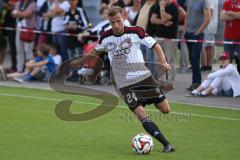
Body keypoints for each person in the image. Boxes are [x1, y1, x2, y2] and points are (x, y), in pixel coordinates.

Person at [71, 6, 175, 153]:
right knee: (141, 115)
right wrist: (77, 63)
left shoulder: (136, 31)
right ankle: (166, 145)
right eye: (112, 22)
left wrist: (163, 62)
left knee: (165, 110)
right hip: (125, 84)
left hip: (144, 78)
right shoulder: (105, 37)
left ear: (124, 17)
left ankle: (149, 102)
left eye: (118, 21)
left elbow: (155, 45)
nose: (116, 25)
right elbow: (93, 53)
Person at [184, 0, 211, 91]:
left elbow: (208, 18)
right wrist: (185, 30)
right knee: (192, 59)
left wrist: (199, 32)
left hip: (197, 34)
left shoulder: (204, 1)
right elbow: (187, 15)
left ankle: (197, 82)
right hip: (188, 33)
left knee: (195, 58)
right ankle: (194, 82)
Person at [151, 0, 179, 83]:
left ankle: (171, 81)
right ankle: (161, 81)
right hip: (158, 37)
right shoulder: (158, 5)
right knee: (158, 60)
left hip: (170, 38)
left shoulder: (173, 7)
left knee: (170, 60)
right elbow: (153, 19)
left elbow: (164, 17)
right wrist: (164, 22)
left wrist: (162, 8)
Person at [220, 0, 240, 74]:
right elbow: (222, 17)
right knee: (226, 61)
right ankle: (226, 83)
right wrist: (236, 15)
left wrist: (229, 13)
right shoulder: (227, 2)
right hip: (228, 36)